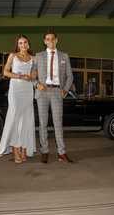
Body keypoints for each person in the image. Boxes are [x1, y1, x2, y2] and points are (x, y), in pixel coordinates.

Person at [33, 31, 74, 163]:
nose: (50, 41)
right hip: (42, 92)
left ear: (57, 40)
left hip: (57, 92)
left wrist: (65, 90)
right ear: (44, 41)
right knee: (43, 123)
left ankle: (61, 153)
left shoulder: (64, 56)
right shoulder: (38, 56)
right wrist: (36, 84)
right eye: (47, 39)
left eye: (52, 39)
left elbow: (70, 76)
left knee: (58, 123)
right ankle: (44, 151)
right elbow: (31, 74)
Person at [0, 35, 36, 164]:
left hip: (28, 90)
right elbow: (5, 72)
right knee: (15, 118)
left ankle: (24, 147)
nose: (23, 45)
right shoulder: (12, 56)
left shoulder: (33, 58)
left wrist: (31, 76)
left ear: (28, 44)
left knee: (26, 119)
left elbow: (35, 75)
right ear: (18, 45)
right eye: (20, 43)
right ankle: (15, 148)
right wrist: (19, 76)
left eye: (25, 42)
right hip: (16, 90)